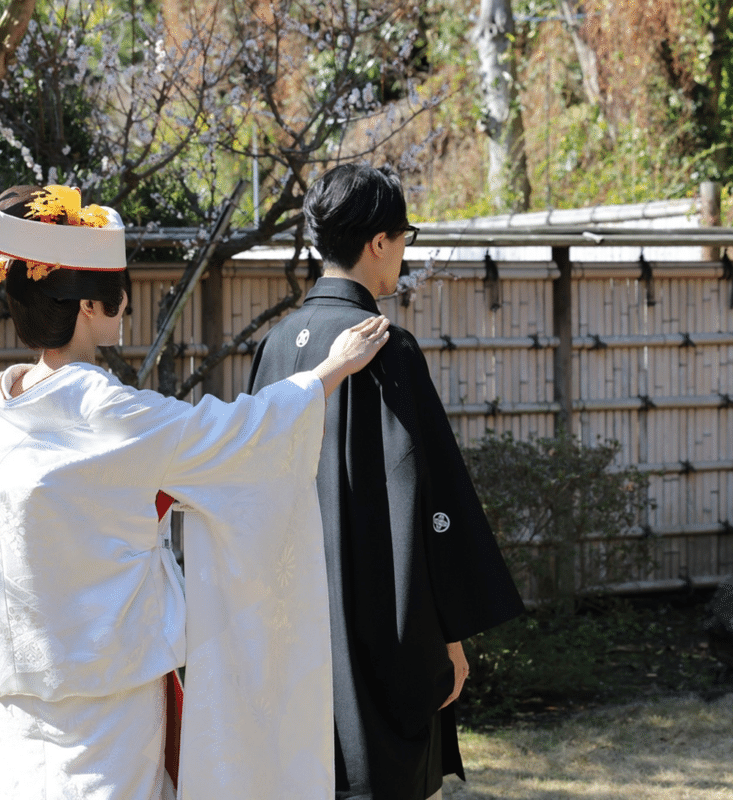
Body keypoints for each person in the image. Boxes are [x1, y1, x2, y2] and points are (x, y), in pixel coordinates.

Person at [0, 169, 391, 800]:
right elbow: (232, 438)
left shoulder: (8, 403)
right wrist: (327, 371)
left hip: (18, 689)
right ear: (88, 306)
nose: (126, 303)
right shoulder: (105, 409)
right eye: (117, 291)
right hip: (109, 692)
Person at [248, 164, 526, 800]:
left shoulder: (276, 346)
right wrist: (449, 635)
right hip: (377, 626)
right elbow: (428, 501)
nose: (403, 253)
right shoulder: (384, 347)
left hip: (290, 621)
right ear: (379, 242)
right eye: (404, 237)